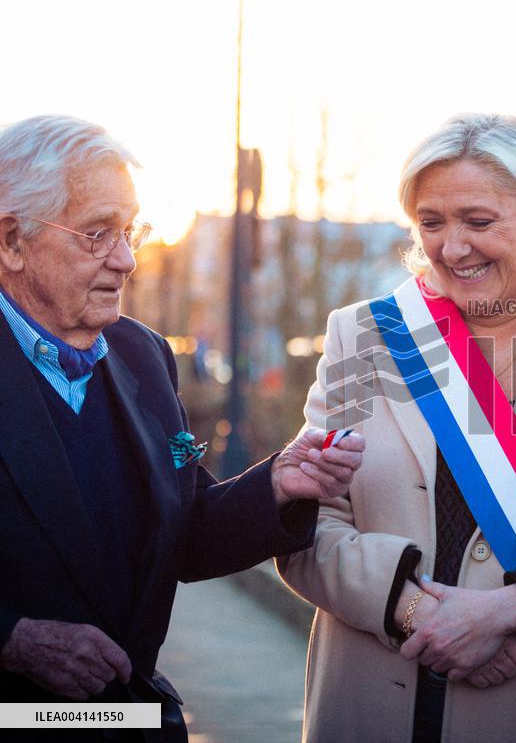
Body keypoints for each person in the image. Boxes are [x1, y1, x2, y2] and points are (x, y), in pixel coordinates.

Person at [277, 113, 516, 742]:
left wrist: (506, 613)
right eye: (431, 223)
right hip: (373, 699)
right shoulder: (365, 334)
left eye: (478, 221)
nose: (451, 248)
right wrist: (416, 613)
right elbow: (307, 527)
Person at [0, 115, 365, 742]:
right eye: (96, 234)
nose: (126, 259)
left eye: (129, 230)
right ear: (11, 241)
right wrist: (12, 640)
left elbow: (182, 534)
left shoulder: (142, 353)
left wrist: (278, 483)